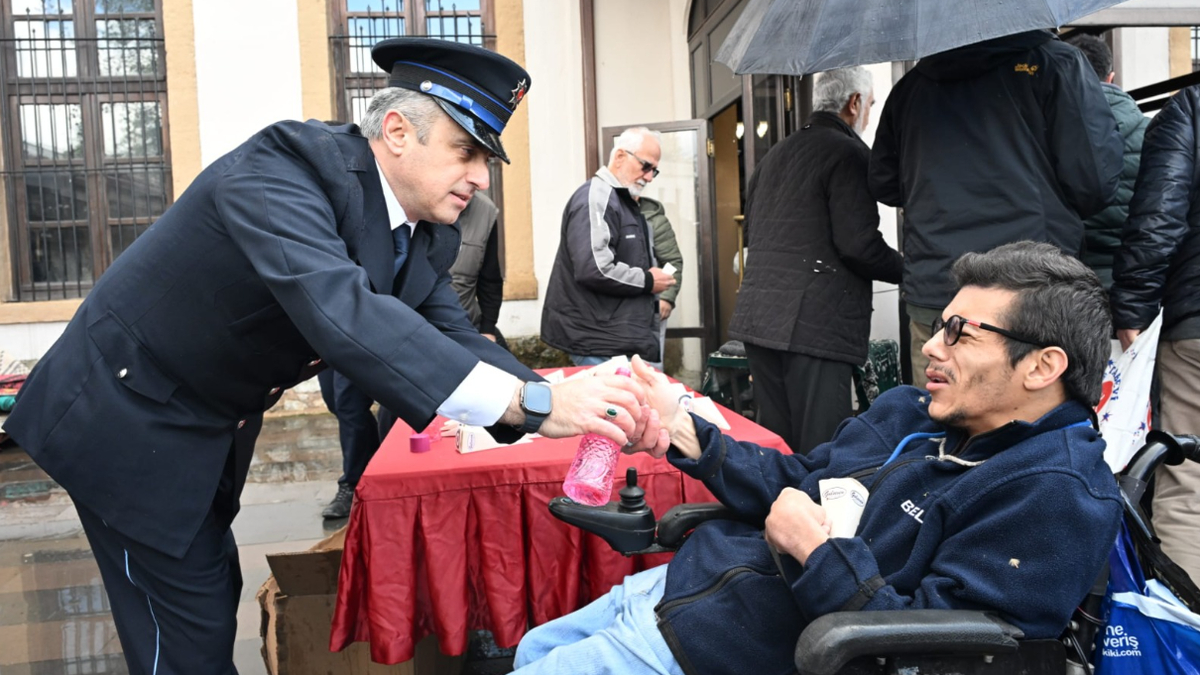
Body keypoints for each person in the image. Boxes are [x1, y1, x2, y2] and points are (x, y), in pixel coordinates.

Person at [4, 39, 656, 673]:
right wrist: (537, 403)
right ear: (397, 130)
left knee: (206, 590)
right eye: (466, 151)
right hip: (120, 416)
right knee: (181, 627)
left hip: (203, 420)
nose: (481, 178)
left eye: (487, 159)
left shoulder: (422, 234)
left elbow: (452, 333)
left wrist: (567, 396)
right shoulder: (281, 172)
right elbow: (345, 313)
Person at [513, 241, 1123, 675]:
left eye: (961, 332)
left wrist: (817, 553)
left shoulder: (1054, 493)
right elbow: (803, 479)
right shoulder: (914, 410)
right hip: (683, 589)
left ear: (1044, 366)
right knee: (531, 651)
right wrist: (687, 434)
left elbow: (931, 649)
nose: (933, 346)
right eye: (941, 325)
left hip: (726, 645)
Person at [869, 29, 1123, 388]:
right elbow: (1095, 182)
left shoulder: (912, 87)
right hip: (1033, 289)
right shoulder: (1056, 63)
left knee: (937, 421)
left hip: (937, 286)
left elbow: (883, 181)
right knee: (1031, 423)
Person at [728, 66, 902, 455]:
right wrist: (911, 269)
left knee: (778, 445)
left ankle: (776, 513)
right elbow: (859, 245)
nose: (869, 114)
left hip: (761, 319)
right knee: (821, 446)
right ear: (854, 103)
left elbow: (758, 235)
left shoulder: (774, 154)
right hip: (816, 325)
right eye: (870, 104)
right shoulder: (849, 153)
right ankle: (815, 516)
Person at [320, 191, 506, 520]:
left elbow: (488, 279)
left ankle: (389, 487)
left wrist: (488, 327)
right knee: (346, 406)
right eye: (464, 156)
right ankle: (358, 478)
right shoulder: (380, 199)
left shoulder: (485, 212)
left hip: (424, 332)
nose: (477, 177)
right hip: (358, 328)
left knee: (403, 415)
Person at [1109, 84, 1200, 585]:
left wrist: (1134, 310)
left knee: (1189, 487)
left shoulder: (1189, 109)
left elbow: (1158, 219)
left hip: (1195, 328)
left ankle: (1189, 642)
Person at [541, 126, 677, 367]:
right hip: (600, 340)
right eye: (646, 166)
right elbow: (595, 268)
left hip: (612, 339)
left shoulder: (619, 199)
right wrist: (648, 280)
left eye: (654, 171)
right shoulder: (597, 197)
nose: (649, 177)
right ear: (620, 157)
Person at [1066, 33, 1149, 291]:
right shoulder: (1154, 132)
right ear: (1111, 78)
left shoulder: (1051, 132)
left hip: (1070, 276)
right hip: (1137, 275)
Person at [639, 195, 683, 369]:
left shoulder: (655, 221)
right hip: (615, 308)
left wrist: (666, 297)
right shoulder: (605, 217)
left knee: (651, 368)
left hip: (651, 305)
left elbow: (672, 262)